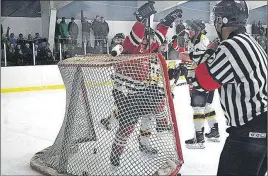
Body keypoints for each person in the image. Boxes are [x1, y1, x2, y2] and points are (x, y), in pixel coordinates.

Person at [181, 0, 267, 175]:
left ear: (222, 21)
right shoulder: (251, 42)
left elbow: (203, 82)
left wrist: (209, 53)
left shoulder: (231, 45)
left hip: (249, 132)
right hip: (260, 129)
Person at [100, 1, 182, 167]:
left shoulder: (148, 46)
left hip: (141, 90)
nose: (150, 40)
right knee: (127, 128)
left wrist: (166, 22)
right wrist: (140, 20)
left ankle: (161, 126)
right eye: (146, 36)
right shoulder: (129, 45)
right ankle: (115, 155)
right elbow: (135, 36)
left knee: (159, 98)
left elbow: (158, 37)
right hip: (125, 94)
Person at [181, 19, 220, 149]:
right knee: (207, 105)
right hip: (208, 80)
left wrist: (188, 60)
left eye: (191, 29)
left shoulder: (202, 43)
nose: (189, 31)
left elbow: (197, 60)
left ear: (198, 30)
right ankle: (214, 131)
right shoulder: (198, 40)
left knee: (197, 108)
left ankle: (199, 139)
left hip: (201, 80)